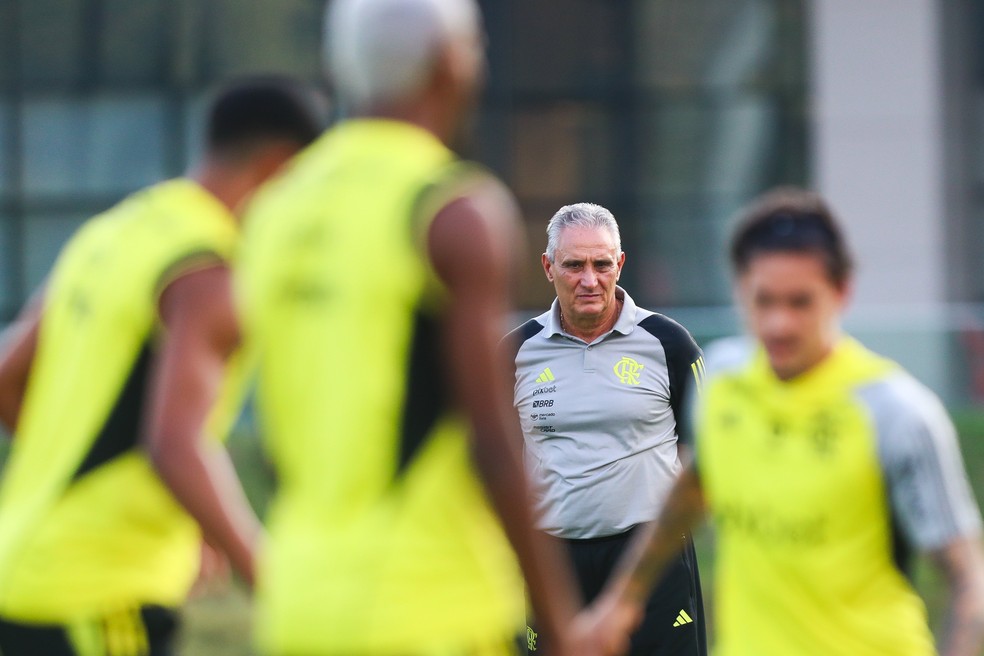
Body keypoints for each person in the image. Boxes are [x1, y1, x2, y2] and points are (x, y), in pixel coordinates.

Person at [237, 1, 593, 655]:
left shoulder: (274, 209)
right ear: (449, 63)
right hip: (428, 611)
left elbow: (273, 432)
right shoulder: (452, 208)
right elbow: (493, 441)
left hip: (297, 604)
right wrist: (563, 626)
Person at [0, 77, 322, 655]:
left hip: (22, 571)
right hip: (96, 594)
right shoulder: (210, 271)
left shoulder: (115, 231)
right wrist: (279, 585)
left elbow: (6, 378)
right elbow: (176, 446)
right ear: (278, 167)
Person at [590, 187, 984, 656]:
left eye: (800, 302)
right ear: (740, 291)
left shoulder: (895, 413)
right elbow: (696, 485)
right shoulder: (722, 381)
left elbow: (968, 582)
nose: (779, 323)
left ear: (842, 293)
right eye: (764, 301)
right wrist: (624, 599)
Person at [501, 202, 706, 656]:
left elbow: (705, 456)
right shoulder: (515, 353)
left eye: (601, 264)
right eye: (574, 265)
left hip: (652, 559)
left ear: (620, 264)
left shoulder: (669, 344)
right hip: (553, 562)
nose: (589, 280)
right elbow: (497, 462)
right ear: (548, 267)